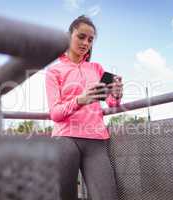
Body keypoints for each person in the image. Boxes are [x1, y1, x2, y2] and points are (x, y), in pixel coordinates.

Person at [45, 15, 123, 200]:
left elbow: (112, 104)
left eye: (90, 39)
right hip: (65, 139)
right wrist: (80, 100)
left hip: (95, 140)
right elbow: (55, 113)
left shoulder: (97, 69)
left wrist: (117, 93)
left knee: (107, 196)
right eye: (81, 36)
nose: (86, 43)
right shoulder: (54, 71)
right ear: (68, 36)